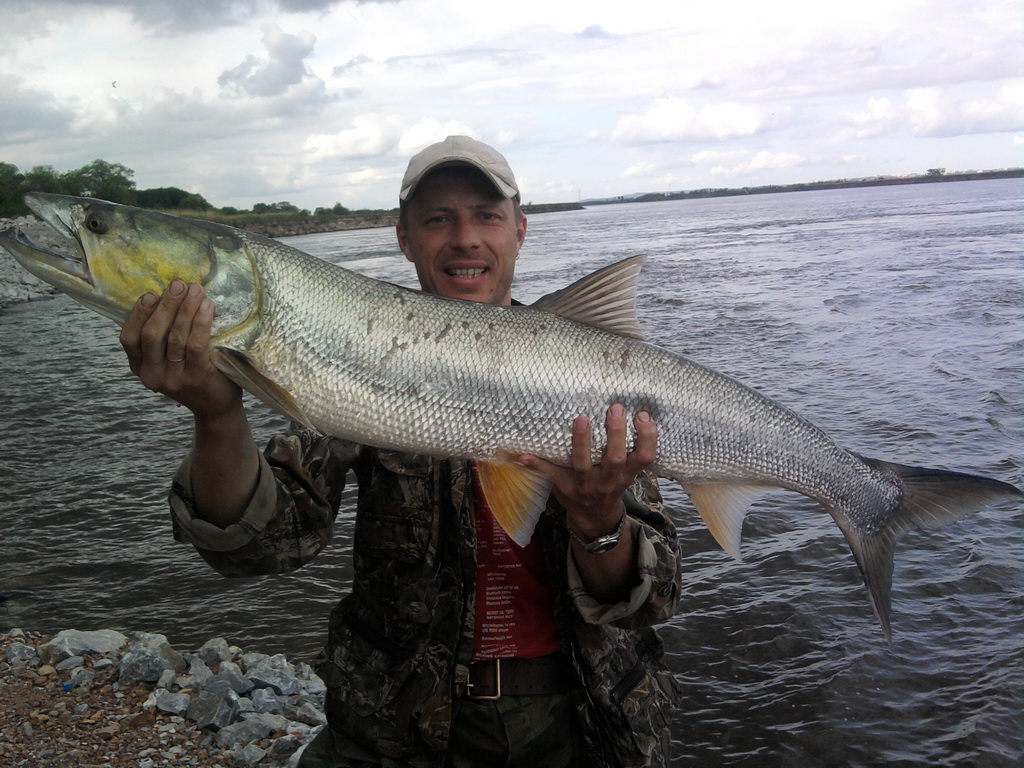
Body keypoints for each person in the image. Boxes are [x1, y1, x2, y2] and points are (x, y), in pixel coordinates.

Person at [119, 135, 682, 767]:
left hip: (582, 724)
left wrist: (600, 523)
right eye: (437, 218)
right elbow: (263, 546)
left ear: (520, 231)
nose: (465, 238)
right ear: (403, 238)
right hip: (396, 733)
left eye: (486, 216)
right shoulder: (354, 354)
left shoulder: (588, 379)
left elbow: (654, 598)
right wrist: (217, 414)